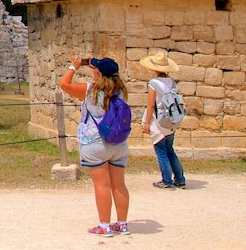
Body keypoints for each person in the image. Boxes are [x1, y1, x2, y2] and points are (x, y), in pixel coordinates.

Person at [59, 55, 131, 237]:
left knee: (102, 186)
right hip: (118, 142)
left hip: (94, 141)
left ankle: (104, 225)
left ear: (98, 74)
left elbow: (64, 84)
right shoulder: (121, 91)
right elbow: (106, 77)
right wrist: (98, 67)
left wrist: (74, 67)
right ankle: (122, 224)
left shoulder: (89, 91)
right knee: (119, 185)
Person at [140, 48, 186, 190]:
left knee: (161, 151)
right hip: (171, 120)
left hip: (159, 120)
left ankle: (167, 180)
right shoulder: (172, 83)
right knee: (170, 150)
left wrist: (147, 123)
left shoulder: (153, 83)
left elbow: (151, 104)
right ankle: (180, 179)